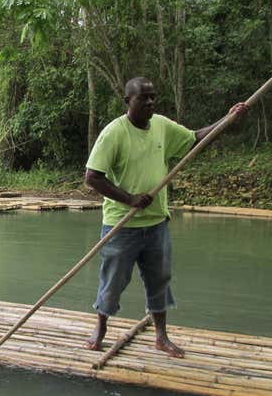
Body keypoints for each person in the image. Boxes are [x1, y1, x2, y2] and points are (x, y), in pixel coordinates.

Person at [84, 77, 248, 357]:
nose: (150, 102)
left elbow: (195, 138)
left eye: (152, 97)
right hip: (121, 225)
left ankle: (161, 336)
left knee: (159, 279)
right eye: (143, 98)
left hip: (156, 224)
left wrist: (227, 119)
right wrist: (130, 199)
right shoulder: (114, 133)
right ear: (128, 101)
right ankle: (100, 328)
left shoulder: (161, 125)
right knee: (113, 281)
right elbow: (92, 177)